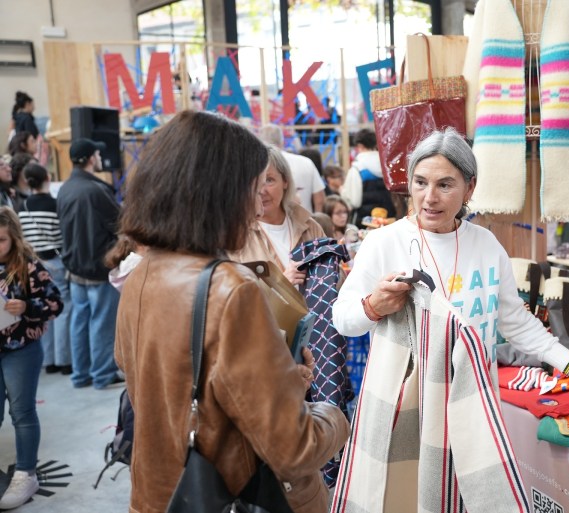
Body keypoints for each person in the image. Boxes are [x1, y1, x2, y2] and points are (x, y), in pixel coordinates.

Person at [114, 109, 349, 513]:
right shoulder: (232, 290)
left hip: (161, 494)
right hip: (236, 495)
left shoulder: (142, 274)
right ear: (222, 194)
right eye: (254, 188)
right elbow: (294, 448)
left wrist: (278, 379)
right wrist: (335, 415)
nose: (258, 206)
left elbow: (169, 389)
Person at [333, 128, 569, 394]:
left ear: (469, 188)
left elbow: (517, 324)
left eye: (444, 185)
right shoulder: (384, 242)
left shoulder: (486, 245)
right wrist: (373, 306)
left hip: (474, 402)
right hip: (406, 403)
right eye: (420, 182)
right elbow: (343, 319)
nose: (429, 197)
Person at [0, 207, 62, 510]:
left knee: (22, 412)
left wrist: (27, 307)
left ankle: (26, 473)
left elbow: (55, 303)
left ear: (14, 237)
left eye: (1, 240)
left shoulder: (30, 266)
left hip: (21, 349)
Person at [56, 138, 122, 389]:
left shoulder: (65, 188)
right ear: (90, 158)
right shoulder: (95, 190)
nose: (100, 157)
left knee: (79, 321)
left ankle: (81, 375)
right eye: (97, 153)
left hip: (74, 268)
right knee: (101, 323)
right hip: (97, 267)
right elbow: (120, 223)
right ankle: (102, 375)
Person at [231, 145, 325, 286]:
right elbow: (235, 293)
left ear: (285, 181)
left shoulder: (309, 226)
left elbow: (338, 281)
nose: (261, 190)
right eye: (253, 182)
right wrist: (282, 284)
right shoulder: (236, 236)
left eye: (269, 180)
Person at [18, 162, 71, 375]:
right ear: (47, 178)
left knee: (41, 309)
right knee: (62, 308)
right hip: (55, 260)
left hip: (32, 263)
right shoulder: (55, 204)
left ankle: (48, 360)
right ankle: (64, 359)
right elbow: (61, 235)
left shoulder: (22, 207)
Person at [260, 124, 325, 212]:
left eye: (269, 180)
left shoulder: (256, 165)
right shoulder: (306, 162)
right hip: (304, 217)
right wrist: (317, 217)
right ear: (282, 142)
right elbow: (319, 199)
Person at [340, 128, 395, 227]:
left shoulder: (357, 168)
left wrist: (342, 192)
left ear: (360, 146)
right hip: (388, 218)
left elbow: (355, 202)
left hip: (366, 221)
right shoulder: (386, 165)